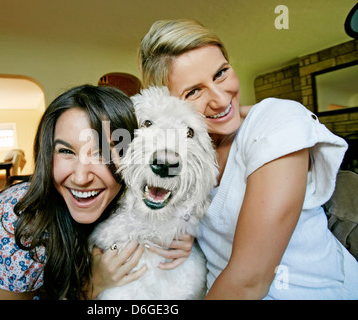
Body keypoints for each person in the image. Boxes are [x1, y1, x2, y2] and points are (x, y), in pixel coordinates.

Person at [139, 19, 358, 299]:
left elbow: (250, 279)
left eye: (220, 73)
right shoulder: (176, 154)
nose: (220, 99)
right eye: (193, 91)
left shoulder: (277, 121)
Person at [0, 85, 191, 300]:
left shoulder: (127, 194)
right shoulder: (18, 229)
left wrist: (181, 236)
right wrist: (92, 287)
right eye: (66, 151)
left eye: (103, 153)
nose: (80, 177)